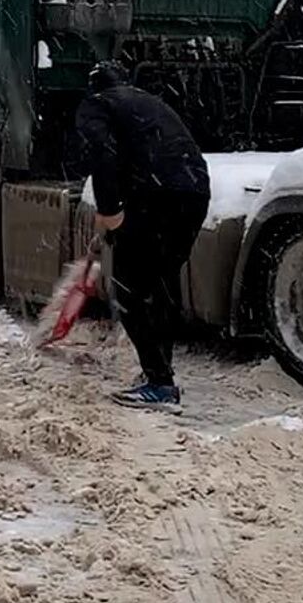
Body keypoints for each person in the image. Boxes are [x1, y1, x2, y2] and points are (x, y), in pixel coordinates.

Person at [71, 62, 211, 411]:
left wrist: (108, 210)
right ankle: (160, 373)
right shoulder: (147, 102)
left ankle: (160, 384)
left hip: (157, 198)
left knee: (128, 286)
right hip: (194, 192)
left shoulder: (96, 104)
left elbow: (103, 154)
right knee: (162, 282)